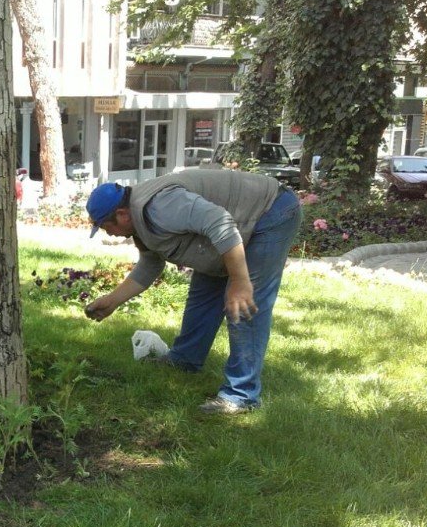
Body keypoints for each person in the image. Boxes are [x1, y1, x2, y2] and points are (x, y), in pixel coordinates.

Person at [84, 170, 302, 415]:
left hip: (268, 212)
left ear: (121, 215)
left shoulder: (160, 206)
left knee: (243, 305)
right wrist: (112, 301)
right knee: (204, 292)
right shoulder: (138, 220)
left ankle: (242, 395)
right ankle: (185, 360)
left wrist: (240, 283)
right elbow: (150, 264)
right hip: (235, 227)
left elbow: (221, 223)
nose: (108, 233)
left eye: (105, 226)